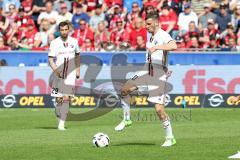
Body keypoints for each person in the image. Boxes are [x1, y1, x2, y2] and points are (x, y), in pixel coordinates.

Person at [115, 11, 177, 147]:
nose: (146, 26)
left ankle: (170, 137)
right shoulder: (151, 35)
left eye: (149, 24)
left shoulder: (163, 35)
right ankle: (126, 119)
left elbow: (174, 45)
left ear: (156, 23)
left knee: (159, 110)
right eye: (145, 24)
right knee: (124, 90)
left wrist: (157, 47)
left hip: (158, 76)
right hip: (146, 71)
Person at [48, 21, 80, 131]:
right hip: (59, 73)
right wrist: (56, 71)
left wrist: (78, 70)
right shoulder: (54, 43)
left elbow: (77, 56)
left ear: (69, 29)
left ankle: (61, 123)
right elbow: (51, 60)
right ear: (59, 31)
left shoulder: (74, 41)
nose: (64, 32)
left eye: (66, 29)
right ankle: (59, 114)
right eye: (62, 30)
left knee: (66, 98)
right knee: (59, 99)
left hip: (70, 74)